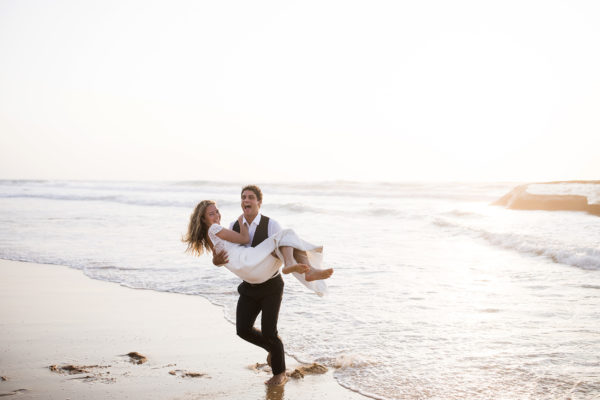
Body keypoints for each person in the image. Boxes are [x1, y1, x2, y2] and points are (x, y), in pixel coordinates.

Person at [183, 186, 333, 386]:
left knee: (270, 331)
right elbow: (222, 253)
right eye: (243, 197)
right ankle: (306, 270)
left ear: (259, 203)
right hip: (250, 281)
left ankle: (279, 373)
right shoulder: (232, 226)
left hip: (270, 282)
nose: (246, 200)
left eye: (251, 197)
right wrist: (216, 261)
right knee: (243, 329)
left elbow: (224, 247)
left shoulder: (271, 224)